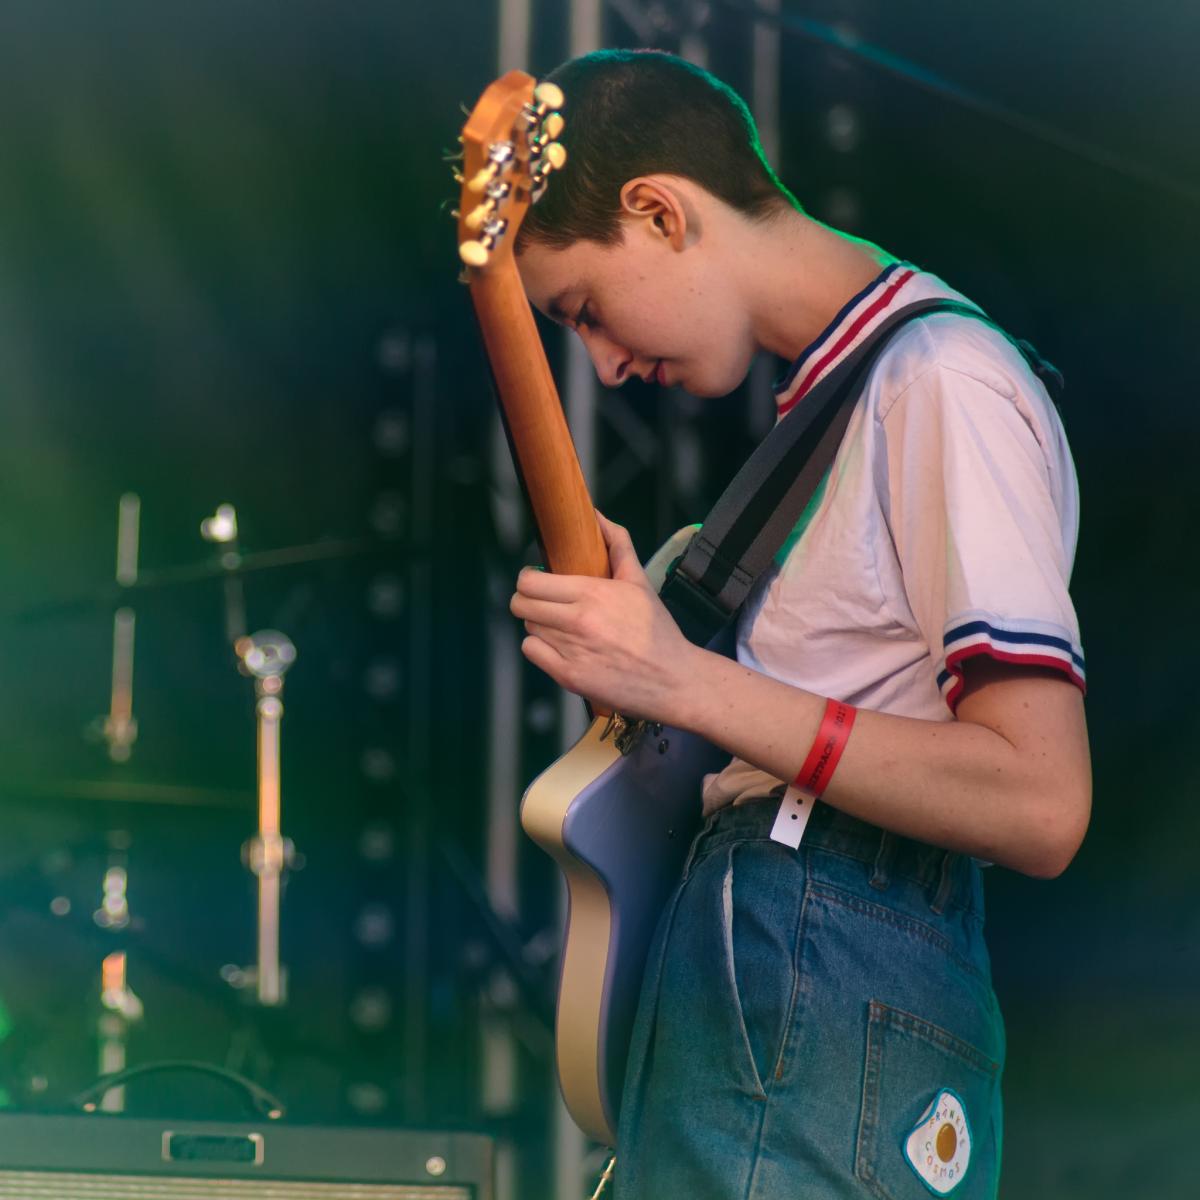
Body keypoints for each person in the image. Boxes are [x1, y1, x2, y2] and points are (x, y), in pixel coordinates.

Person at [508, 48, 1089, 1199]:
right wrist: (655, 678)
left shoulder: (943, 379)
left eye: (585, 310)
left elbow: (1041, 801)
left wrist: (686, 684)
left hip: (832, 965)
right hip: (785, 980)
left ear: (660, 212)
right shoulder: (842, 408)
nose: (607, 366)